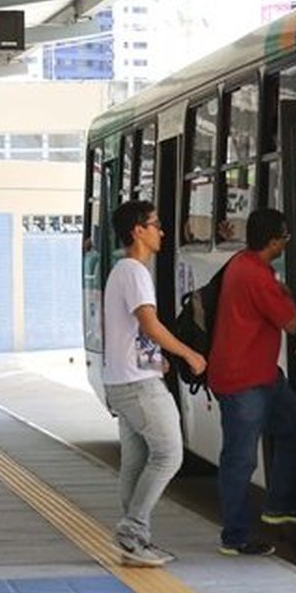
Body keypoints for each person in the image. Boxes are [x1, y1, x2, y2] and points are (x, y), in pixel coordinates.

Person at [103, 200, 207, 567]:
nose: (162, 231)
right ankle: (132, 530)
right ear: (138, 231)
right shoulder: (134, 272)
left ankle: (133, 544)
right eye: (156, 224)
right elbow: (148, 324)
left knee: (136, 460)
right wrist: (188, 354)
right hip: (137, 386)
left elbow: (129, 332)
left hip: (123, 379)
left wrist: (155, 359)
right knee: (168, 454)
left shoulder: (122, 271)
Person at [208, 207, 296, 557]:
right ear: (273, 242)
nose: (286, 243)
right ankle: (235, 536)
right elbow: (292, 324)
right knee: (240, 459)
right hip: (244, 381)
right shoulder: (258, 278)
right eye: (285, 238)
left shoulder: (244, 263)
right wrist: (286, 295)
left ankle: (281, 503)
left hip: (263, 375)